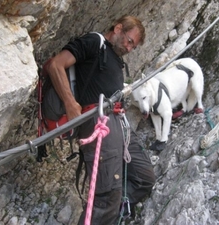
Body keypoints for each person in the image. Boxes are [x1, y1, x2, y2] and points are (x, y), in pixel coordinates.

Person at [46, 15, 156, 224]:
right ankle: (105, 212)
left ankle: (113, 213)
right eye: (129, 41)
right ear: (117, 28)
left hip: (119, 124)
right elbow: (56, 65)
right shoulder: (95, 42)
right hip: (99, 123)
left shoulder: (116, 60)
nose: (129, 48)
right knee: (107, 197)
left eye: (133, 46)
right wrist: (70, 104)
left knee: (144, 177)